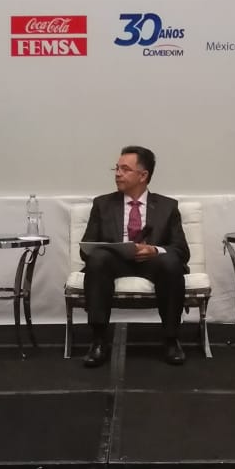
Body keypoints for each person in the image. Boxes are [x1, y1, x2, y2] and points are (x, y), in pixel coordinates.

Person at [79, 146, 190, 367]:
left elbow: (181, 251)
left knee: (171, 262)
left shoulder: (168, 207)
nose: (117, 174)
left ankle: (171, 340)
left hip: (152, 263)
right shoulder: (102, 204)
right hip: (114, 262)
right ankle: (99, 341)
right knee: (98, 259)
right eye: (116, 168)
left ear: (143, 175)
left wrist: (154, 250)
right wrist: (113, 249)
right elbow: (86, 249)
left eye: (125, 169)